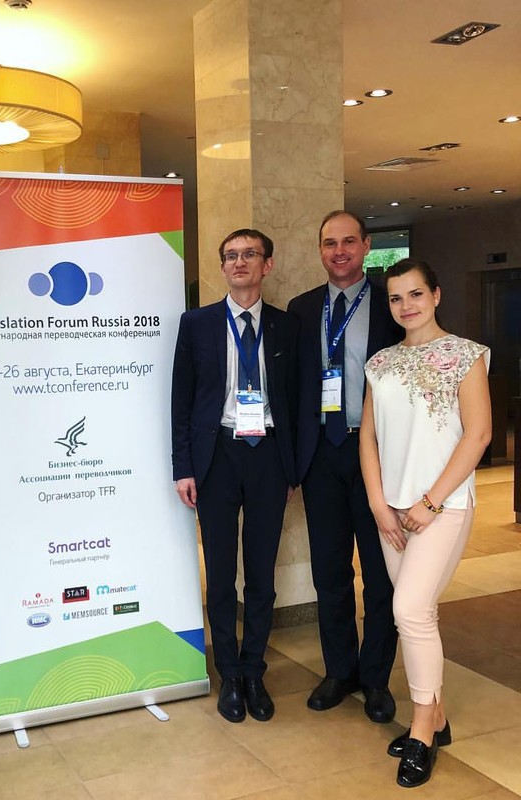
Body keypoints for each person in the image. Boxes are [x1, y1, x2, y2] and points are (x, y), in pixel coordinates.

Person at [360, 258, 491, 787]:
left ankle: (420, 732)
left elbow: (478, 435)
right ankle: (436, 716)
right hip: (391, 511)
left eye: (415, 294)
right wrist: (378, 504)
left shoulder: (466, 355)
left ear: (436, 295)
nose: (406, 305)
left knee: (409, 610)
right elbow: (367, 436)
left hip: (443, 507)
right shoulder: (380, 362)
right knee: (417, 614)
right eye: (396, 297)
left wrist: (430, 503)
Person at [171, 228, 298, 723]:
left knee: (261, 573)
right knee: (221, 574)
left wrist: (293, 467)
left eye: (249, 254)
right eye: (231, 256)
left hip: (268, 457)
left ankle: (254, 670)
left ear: (267, 264)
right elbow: (181, 401)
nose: (239, 262)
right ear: (222, 267)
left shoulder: (287, 327)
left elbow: (297, 401)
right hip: (216, 457)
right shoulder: (197, 324)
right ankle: (229, 672)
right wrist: (184, 467)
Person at [288, 210, 402, 723]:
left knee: (380, 574)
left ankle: (375, 679)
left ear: (366, 246)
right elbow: (293, 387)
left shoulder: (390, 304)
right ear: (320, 249)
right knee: (329, 570)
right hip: (322, 454)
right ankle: (340, 670)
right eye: (330, 243)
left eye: (349, 242)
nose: (339, 251)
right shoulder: (302, 308)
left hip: (377, 452)